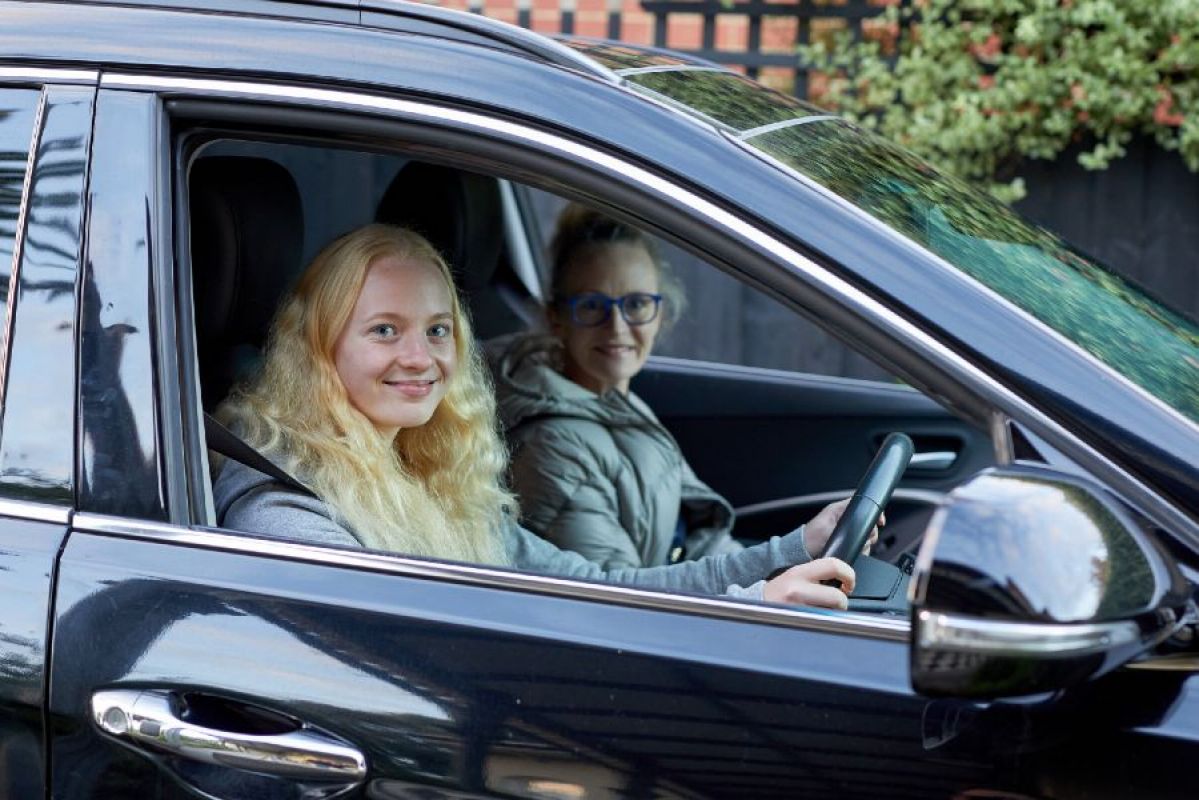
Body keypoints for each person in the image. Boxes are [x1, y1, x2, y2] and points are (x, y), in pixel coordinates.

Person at [212, 223, 857, 608]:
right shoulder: (285, 507)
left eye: (438, 330)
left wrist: (789, 554)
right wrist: (752, 606)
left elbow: (604, 588)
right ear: (319, 347)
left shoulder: (432, 477)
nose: (421, 358)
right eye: (384, 330)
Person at [492, 206, 868, 570]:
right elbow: (622, 604)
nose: (617, 327)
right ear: (558, 318)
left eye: (636, 304)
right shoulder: (553, 446)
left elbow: (694, 538)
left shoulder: (610, 402)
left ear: (660, 312)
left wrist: (788, 564)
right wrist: (788, 556)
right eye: (592, 306)